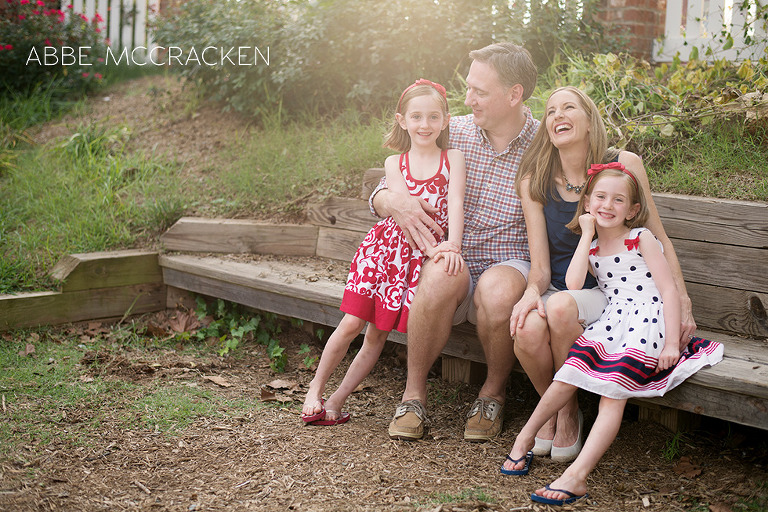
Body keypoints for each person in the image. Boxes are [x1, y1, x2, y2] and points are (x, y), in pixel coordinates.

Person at [501, 163, 723, 505]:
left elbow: (666, 292)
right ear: (587, 202)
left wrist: (670, 343)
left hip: (648, 321)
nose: (607, 205)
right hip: (613, 320)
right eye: (600, 197)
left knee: (612, 394)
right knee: (567, 375)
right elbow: (573, 285)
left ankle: (577, 476)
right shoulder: (591, 249)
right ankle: (524, 439)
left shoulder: (641, 238)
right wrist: (587, 233)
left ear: (632, 210)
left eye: (618, 200)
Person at [509, 86, 698, 461]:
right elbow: (541, 266)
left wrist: (684, 300)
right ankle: (562, 408)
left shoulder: (624, 163)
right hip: (566, 286)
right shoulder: (534, 180)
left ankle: (565, 416)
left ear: (589, 118)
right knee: (527, 331)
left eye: (568, 107)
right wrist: (532, 292)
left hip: (614, 298)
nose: (558, 115)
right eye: (550, 112)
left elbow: (658, 237)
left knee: (562, 309)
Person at [371, 42, 539, 441]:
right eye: (469, 88)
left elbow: (592, 168)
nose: (468, 99)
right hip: (450, 253)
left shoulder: (542, 144)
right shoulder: (454, 130)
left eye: (479, 91)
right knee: (441, 275)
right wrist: (392, 201)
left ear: (514, 94)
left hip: (508, 259)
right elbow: (386, 187)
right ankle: (413, 396)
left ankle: (492, 394)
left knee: (499, 294)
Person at [301, 79, 467, 426]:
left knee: (376, 336)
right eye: (416, 116)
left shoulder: (453, 158)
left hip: (417, 261)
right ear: (402, 120)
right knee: (351, 323)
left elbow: (455, 204)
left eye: (433, 116)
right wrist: (432, 243)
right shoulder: (395, 163)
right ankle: (314, 389)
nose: (425, 124)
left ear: (446, 120)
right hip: (385, 255)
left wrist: (451, 245)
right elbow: (406, 211)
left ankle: (336, 401)